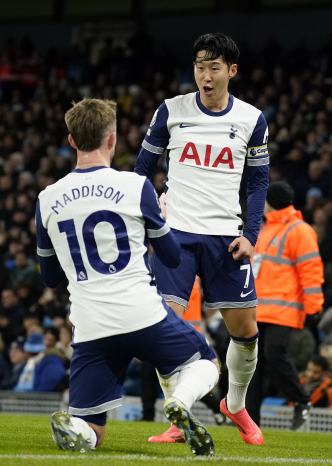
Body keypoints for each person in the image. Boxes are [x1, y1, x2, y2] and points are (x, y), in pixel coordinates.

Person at [36, 98, 219, 455]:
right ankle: (180, 401)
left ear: (71, 141)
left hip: (90, 325)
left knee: (93, 429)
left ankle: (78, 430)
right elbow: (169, 256)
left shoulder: (47, 199)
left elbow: (50, 277)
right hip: (142, 314)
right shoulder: (136, 188)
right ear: (112, 139)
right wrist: (161, 222)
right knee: (205, 363)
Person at [134, 32, 268, 445]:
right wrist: (141, 219)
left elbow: (259, 181)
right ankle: (179, 414)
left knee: (245, 331)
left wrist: (250, 234)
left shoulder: (251, 118)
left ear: (231, 70)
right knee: (164, 326)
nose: (204, 76)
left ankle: (235, 403)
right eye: (198, 66)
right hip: (174, 234)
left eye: (213, 67)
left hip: (225, 238)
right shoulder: (171, 111)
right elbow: (142, 169)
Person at [245, 181, 324, 430]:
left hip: (284, 308)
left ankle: (301, 400)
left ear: (271, 202)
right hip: (258, 308)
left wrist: (314, 307)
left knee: (274, 354)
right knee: (252, 366)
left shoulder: (300, 230)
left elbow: (310, 271)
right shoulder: (266, 228)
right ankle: (250, 421)